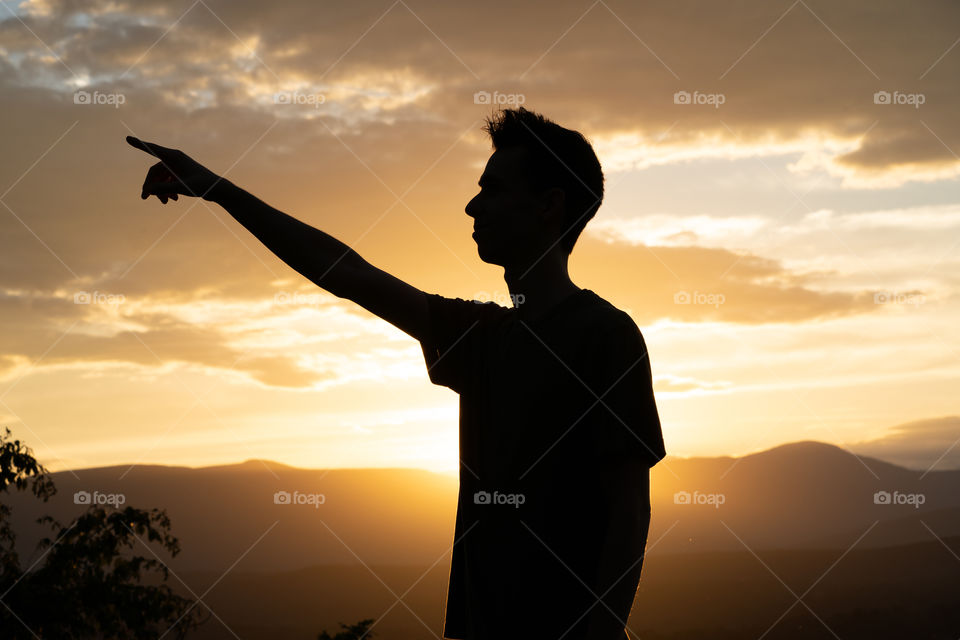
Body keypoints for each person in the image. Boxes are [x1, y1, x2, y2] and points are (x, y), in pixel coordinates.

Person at [127, 106, 666, 640]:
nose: (472, 205)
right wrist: (218, 188)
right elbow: (345, 272)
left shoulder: (604, 336)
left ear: (550, 205)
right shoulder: (480, 336)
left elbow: (629, 508)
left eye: (493, 189)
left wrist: (602, 632)